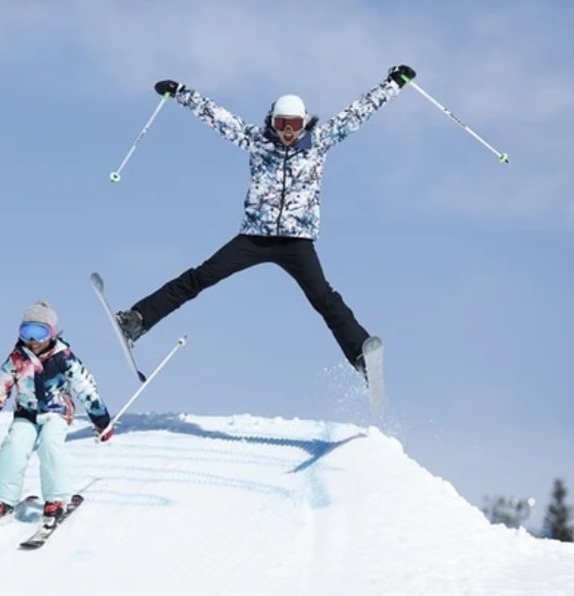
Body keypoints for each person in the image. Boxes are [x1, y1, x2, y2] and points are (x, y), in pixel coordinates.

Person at [115, 65, 416, 377]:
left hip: (296, 242)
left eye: (294, 125)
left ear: (304, 124)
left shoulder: (319, 144)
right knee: (199, 277)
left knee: (324, 298)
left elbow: (357, 114)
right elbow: (218, 117)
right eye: (281, 124)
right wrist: (181, 93)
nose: (287, 132)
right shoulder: (258, 143)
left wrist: (393, 84)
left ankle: (360, 356)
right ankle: (138, 320)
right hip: (254, 237)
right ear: (272, 121)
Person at [0, 300, 113, 521]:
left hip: (57, 412)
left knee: (50, 445)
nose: (32, 340)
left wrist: (102, 421)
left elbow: (85, 388)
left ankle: (56, 498)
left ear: (51, 333)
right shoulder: (16, 360)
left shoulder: (64, 358)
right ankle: (3, 500)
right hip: (26, 414)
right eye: (27, 332)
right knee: (13, 447)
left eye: (38, 332)